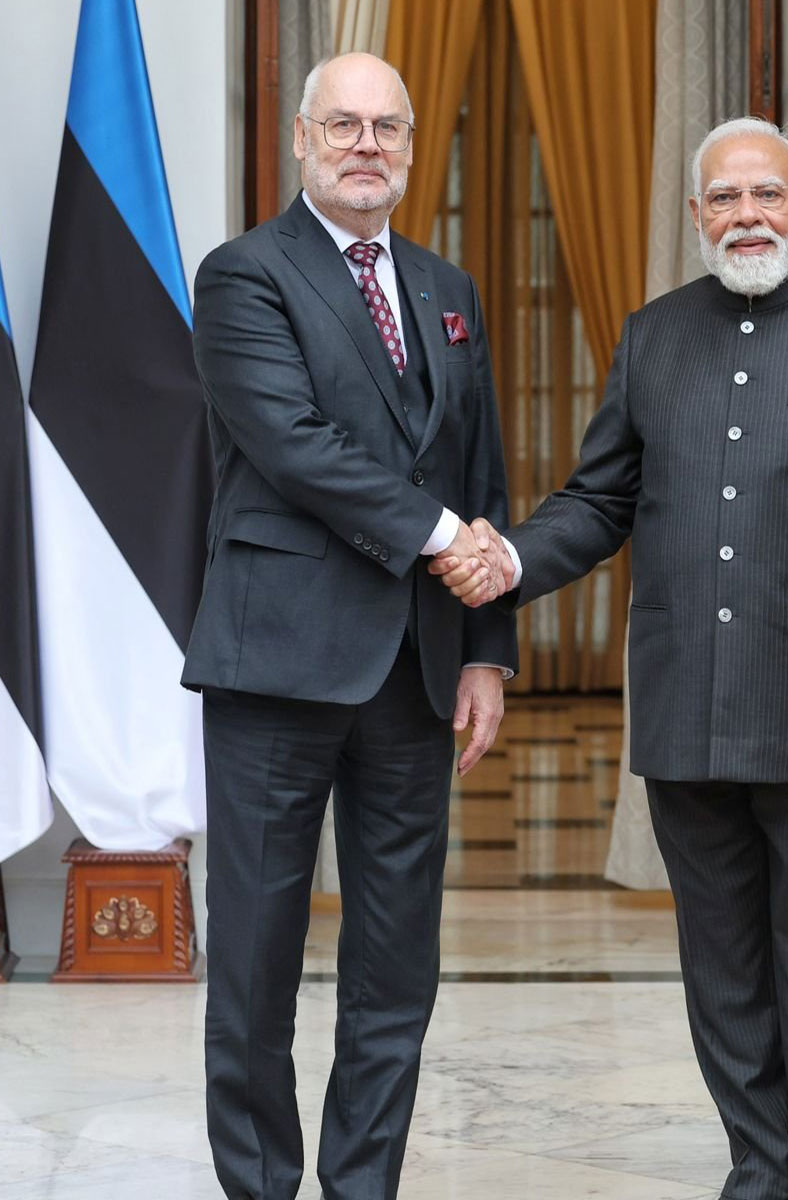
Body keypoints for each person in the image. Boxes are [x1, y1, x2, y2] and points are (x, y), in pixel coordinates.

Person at [434, 117, 788, 1199]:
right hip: (686, 724)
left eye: (768, 195)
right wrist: (509, 562)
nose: (747, 215)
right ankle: (757, 1170)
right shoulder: (652, 336)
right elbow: (599, 501)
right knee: (721, 975)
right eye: (724, 199)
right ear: (695, 217)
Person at [181, 52, 517, 1200]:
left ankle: (362, 1186)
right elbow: (292, 444)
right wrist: (443, 536)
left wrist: (487, 649)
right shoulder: (243, 277)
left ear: (412, 147)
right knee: (258, 964)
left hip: (417, 674)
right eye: (345, 125)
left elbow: (482, 471)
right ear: (300, 140)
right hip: (278, 665)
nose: (367, 144)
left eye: (389, 127)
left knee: (394, 968)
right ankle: (261, 1188)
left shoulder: (449, 287)